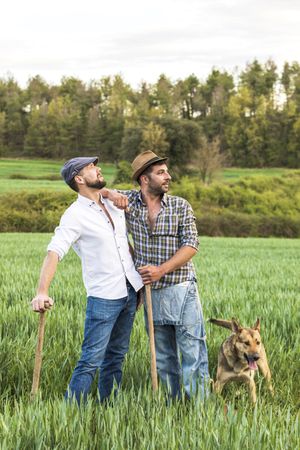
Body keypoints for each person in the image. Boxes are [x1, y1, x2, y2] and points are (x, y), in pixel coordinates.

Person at [31, 156, 143, 404]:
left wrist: (109, 192)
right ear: (79, 179)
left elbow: (122, 242)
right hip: (104, 296)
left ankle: (109, 407)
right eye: (92, 167)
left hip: (130, 290)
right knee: (91, 360)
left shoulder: (111, 202)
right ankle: (70, 411)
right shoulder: (75, 215)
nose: (98, 168)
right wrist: (42, 291)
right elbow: (55, 251)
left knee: (116, 356)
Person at [121, 150, 210, 400]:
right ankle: (173, 407)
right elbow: (101, 194)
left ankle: (200, 410)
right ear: (144, 179)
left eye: (166, 171)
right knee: (163, 357)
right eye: (161, 172)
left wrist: (160, 270)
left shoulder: (180, 206)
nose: (168, 176)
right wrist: (109, 194)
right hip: (152, 294)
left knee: (193, 352)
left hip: (182, 289)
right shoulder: (129, 203)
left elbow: (192, 244)